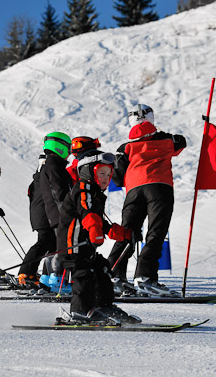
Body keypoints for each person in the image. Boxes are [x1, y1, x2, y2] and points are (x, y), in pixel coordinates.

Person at [107, 104, 187, 297]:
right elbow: (181, 142)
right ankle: (145, 277)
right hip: (159, 187)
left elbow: (117, 178)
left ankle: (113, 276)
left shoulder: (124, 147)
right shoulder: (167, 139)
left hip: (134, 190)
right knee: (155, 233)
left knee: (127, 233)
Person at [57, 150, 137, 322]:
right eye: (101, 173)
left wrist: (121, 233)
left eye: (109, 174)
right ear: (87, 171)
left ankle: (103, 306)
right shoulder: (83, 188)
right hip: (73, 246)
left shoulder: (95, 193)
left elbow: (100, 221)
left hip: (86, 247)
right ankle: (80, 311)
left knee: (103, 270)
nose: (106, 178)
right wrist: (94, 229)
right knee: (83, 274)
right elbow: (87, 212)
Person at [18, 132, 73, 288]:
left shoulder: (46, 169)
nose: (69, 152)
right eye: (68, 148)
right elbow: (59, 192)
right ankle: (27, 273)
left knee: (50, 245)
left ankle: (42, 276)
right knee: (46, 243)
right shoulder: (54, 167)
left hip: (44, 214)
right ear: (60, 146)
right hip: (47, 215)